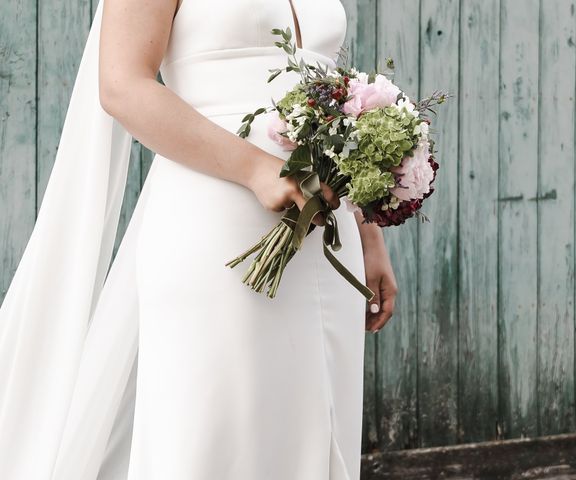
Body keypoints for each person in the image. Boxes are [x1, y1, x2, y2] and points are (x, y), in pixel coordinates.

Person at [0, 0, 397, 478]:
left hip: (327, 234)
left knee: (315, 421)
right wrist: (255, 168)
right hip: (216, 216)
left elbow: (336, 99)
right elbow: (122, 86)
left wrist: (368, 231)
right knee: (216, 432)